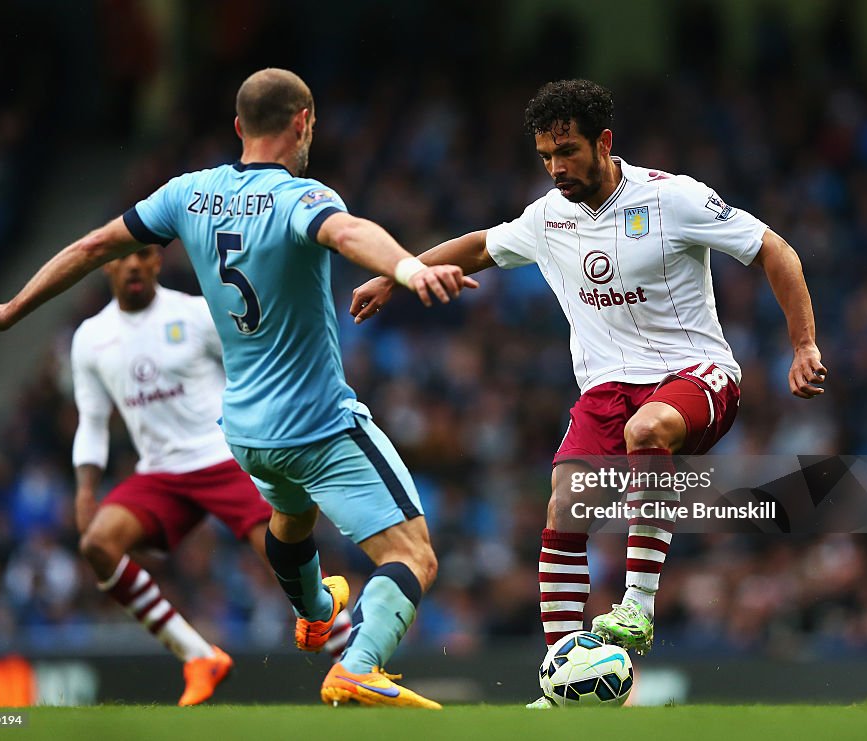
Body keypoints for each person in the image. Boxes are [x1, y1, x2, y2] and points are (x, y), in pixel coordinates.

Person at [0, 68, 477, 709]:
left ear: (237, 128)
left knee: (291, 517)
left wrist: (10, 309)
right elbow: (348, 231)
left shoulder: (187, 193)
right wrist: (408, 264)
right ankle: (357, 663)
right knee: (414, 554)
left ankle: (312, 610)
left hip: (247, 435)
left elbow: (92, 245)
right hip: (318, 423)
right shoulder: (302, 198)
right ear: (303, 122)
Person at [350, 79, 827, 707]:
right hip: (604, 391)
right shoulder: (546, 217)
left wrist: (803, 345)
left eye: (567, 151)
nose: (556, 168)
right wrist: (398, 273)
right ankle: (561, 678)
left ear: (603, 141)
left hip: (696, 375)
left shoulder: (671, 198)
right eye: (546, 155)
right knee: (563, 507)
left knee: (647, 432)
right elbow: (479, 248)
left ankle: (638, 606)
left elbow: (774, 250)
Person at [71, 244, 351, 706]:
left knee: (284, 558)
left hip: (223, 457)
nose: (135, 264)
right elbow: (93, 420)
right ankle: (199, 656)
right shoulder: (91, 337)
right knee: (98, 545)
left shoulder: (197, 313)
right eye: (125, 257)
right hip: (161, 473)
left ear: (158, 262)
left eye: (144, 255)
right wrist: (85, 489)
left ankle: (356, 661)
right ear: (108, 265)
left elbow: (252, 373)